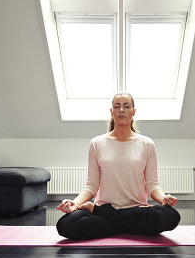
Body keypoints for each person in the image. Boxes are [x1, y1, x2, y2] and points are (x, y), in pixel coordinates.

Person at [56, 93, 181, 240]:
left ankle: (103, 217)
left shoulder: (146, 144)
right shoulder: (97, 143)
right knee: (65, 225)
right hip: (118, 210)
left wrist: (163, 198)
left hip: (132, 209)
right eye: (117, 106)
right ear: (112, 112)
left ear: (133, 112)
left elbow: (153, 185)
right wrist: (75, 203)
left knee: (171, 216)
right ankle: (129, 227)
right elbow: (91, 186)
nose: (121, 110)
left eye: (126, 106)